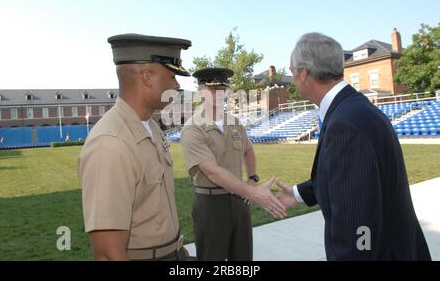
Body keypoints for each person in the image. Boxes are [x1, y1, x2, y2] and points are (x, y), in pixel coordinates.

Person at [276, 32, 431, 260]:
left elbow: (359, 223)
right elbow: (350, 178)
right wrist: (299, 193)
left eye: (292, 71)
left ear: (304, 72)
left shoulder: (345, 124)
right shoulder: (354, 109)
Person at [77, 33, 192, 261]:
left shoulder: (150, 125)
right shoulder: (110, 144)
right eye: (171, 76)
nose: (177, 85)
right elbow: (108, 253)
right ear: (148, 77)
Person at [180, 67, 286, 261]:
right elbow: (212, 172)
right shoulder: (193, 128)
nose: (219, 94)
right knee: (213, 258)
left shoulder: (234, 122)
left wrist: (252, 179)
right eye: (213, 90)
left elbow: (248, 150)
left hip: (239, 201)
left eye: (223, 89)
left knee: (243, 258)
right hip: (211, 204)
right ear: (201, 93)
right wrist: (252, 193)